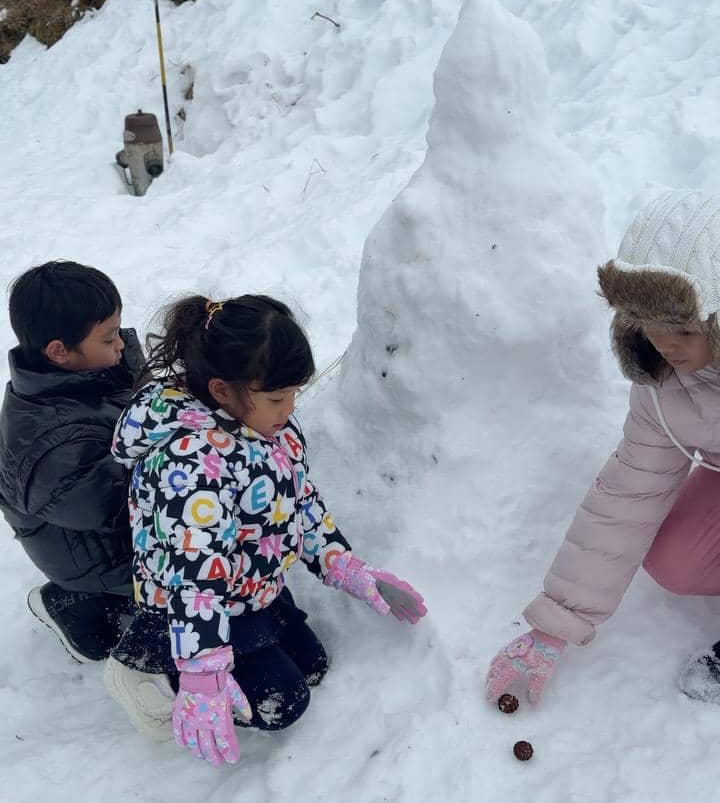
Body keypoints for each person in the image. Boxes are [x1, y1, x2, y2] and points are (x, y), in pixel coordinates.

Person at [110, 293, 427, 766]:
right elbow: (196, 579)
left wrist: (345, 567)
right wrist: (203, 674)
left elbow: (299, 502)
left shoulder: (268, 427)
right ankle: (147, 668)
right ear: (222, 390)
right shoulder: (193, 465)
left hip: (252, 584)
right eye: (278, 397)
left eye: (294, 393)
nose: (290, 408)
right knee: (283, 704)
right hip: (194, 607)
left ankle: (240, 641)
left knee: (313, 666)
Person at [486, 189, 720, 707]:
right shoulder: (665, 385)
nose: (666, 344)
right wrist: (556, 624)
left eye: (682, 327)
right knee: (676, 560)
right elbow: (627, 495)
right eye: (649, 325)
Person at [0, 260, 145, 661]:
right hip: (94, 556)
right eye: (109, 337)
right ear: (59, 352)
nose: (121, 346)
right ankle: (77, 603)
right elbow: (130, 506)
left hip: (97, 526)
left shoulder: (95, 368)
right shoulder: (49, 447)